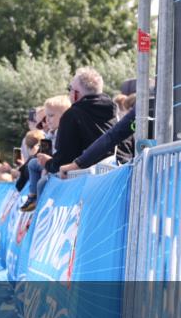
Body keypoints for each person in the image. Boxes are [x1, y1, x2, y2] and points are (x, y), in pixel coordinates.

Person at [24, 67, 115, 211]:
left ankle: (37, 224)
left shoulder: (72, 115)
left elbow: (63, 160)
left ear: (76, 94)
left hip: (86, 184)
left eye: (70, 89)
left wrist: (48, 162)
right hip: (117, 177)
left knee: (42, 183)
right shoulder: (114, 112)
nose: (69, 93)